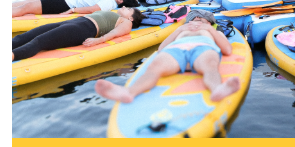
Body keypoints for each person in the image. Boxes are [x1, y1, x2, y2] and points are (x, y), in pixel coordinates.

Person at [95, 10, 240, 103]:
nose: (197, 20)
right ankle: (128, 92)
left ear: (209, 22)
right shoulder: (181, 30)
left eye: (201, 19)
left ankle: (217, 90)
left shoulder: (212, 31)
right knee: (155, 67)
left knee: (209, 66)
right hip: (176, 49)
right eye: (194, 19)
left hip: (203, 47)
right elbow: (161, 49)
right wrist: (180, 30)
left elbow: (227, 49)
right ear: (188, 21)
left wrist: (209, 29)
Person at [12, 7, 144, 61]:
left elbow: (115, 33)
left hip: (82, 30)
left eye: (129, 9)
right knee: (25, 36)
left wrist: (98, 40)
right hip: (74, 22)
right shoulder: (114, 13)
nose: (125, 7)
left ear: (131, 18)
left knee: (39, 41)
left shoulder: (127, 23)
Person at [12, 0, 139, 18]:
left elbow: (93, 9)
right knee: (27, 2)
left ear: (120, 1)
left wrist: (73, 10)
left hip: (64, 3)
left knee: (26, 7)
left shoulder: (109, 2)